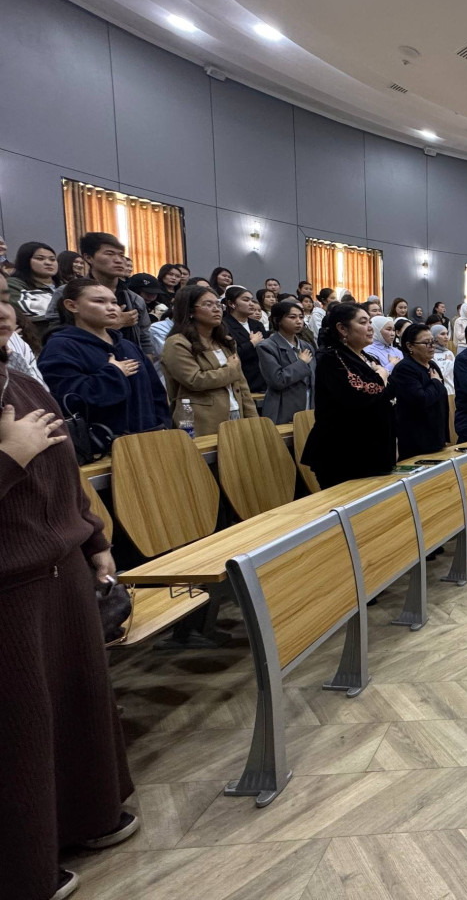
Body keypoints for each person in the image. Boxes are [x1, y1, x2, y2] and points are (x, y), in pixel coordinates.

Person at [0, 293, 141, 900]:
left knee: (78, 702)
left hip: (63, 569)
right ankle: (24, 866)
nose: (2, 312)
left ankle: (88, 816)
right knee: (22, 726)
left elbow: (66, 474)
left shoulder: (24, 384)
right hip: (11, 586)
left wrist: (94, 538)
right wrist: (10, 457)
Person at [37, 277, 170, 435]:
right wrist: (113, 373)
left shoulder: (127, 346)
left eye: (114, 302)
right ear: (72, 305)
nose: (111, 307)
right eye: (99, 301)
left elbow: (156, 394)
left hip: (148, 439)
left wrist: (163, 426)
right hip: (100, 444)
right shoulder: (60, 347)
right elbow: (69, 401)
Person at [300, 304, 396, 486]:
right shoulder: (332, 358)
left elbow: (388, 392)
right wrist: (382, 374)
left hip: (373, 449)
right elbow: (361, 394)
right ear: (342, 328)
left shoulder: (368, 357)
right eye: (363, 322)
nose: (370, 327)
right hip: (343, 452)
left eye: (370, 322)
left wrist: (381, 379)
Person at [160, 285, 256, 435]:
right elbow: (194, 380)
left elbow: (241, 383)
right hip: (202, 420)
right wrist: (230, 370)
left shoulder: (225, 341)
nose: (216, 309)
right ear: (190, 311)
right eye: (208, 304)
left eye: (218, 304)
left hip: (236, 411)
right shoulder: (177, 343)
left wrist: (253, 419)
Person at [47, 233, 155, 364]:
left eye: (121, 255)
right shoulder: (67, 292)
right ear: (88, 257)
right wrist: (112, 325)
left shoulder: (134, 299)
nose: (119, 260)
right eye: (109, 254)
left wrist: (147, 369)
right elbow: (52, 332)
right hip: (85, 363)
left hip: (131, 364)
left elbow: (145, 340)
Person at [390, 323, 449, 459]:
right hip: (417, 440)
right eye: (426, 343)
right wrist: (435, 382)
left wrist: (444, 435)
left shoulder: (432, 365)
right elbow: (421, 399)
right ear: (410, 346)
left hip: (437, 436)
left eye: (433, 342)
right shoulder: (405, 369)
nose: (432, 346)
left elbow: (442, 401)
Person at [256, 300, 315, 425]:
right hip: (283, 406)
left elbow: (314, 378)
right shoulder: (266, 346)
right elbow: (277, 380)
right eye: (292, 317)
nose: (299, 321)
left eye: (301, 317)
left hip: (309, 403)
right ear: (278, 320)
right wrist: (301, 363)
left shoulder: (306, 346)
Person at [221, 286, 267, 393]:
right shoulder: (223, 325)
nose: (251, 304)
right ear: (231, 304)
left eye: (251, 300)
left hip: (262, 379)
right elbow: (231, 354)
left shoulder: (257, 324)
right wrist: (252, 343)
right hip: (241, 380)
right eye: (246, 300)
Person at [7, 241, 60, 335]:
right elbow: (23, 316)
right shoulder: (12, 284)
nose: (48, 263)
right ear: (25, 261)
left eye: (52, 259)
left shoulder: (66, 286)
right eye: (40, 259)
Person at [430, 323, 456, 393]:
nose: (446, 337)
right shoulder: (431, 354)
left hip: (452, 390)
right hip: (439, 391)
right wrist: (448, 362)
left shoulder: (449, 353)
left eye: (447, 334)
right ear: (434, 337)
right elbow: (439, 375)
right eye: (442, 334)